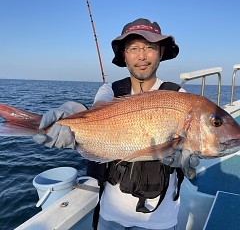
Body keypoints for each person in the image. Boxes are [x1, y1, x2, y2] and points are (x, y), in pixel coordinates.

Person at [34, 18, 199, 230]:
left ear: (161, 52)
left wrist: (187, 158)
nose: (142, 56)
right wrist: (75, 116)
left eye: (150, 47)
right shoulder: (109, 90)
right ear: (124, 54)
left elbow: (195, 146)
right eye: (133, 48)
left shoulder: (179, 96)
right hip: (109, 216)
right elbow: (98, 111)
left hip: (159, 221)